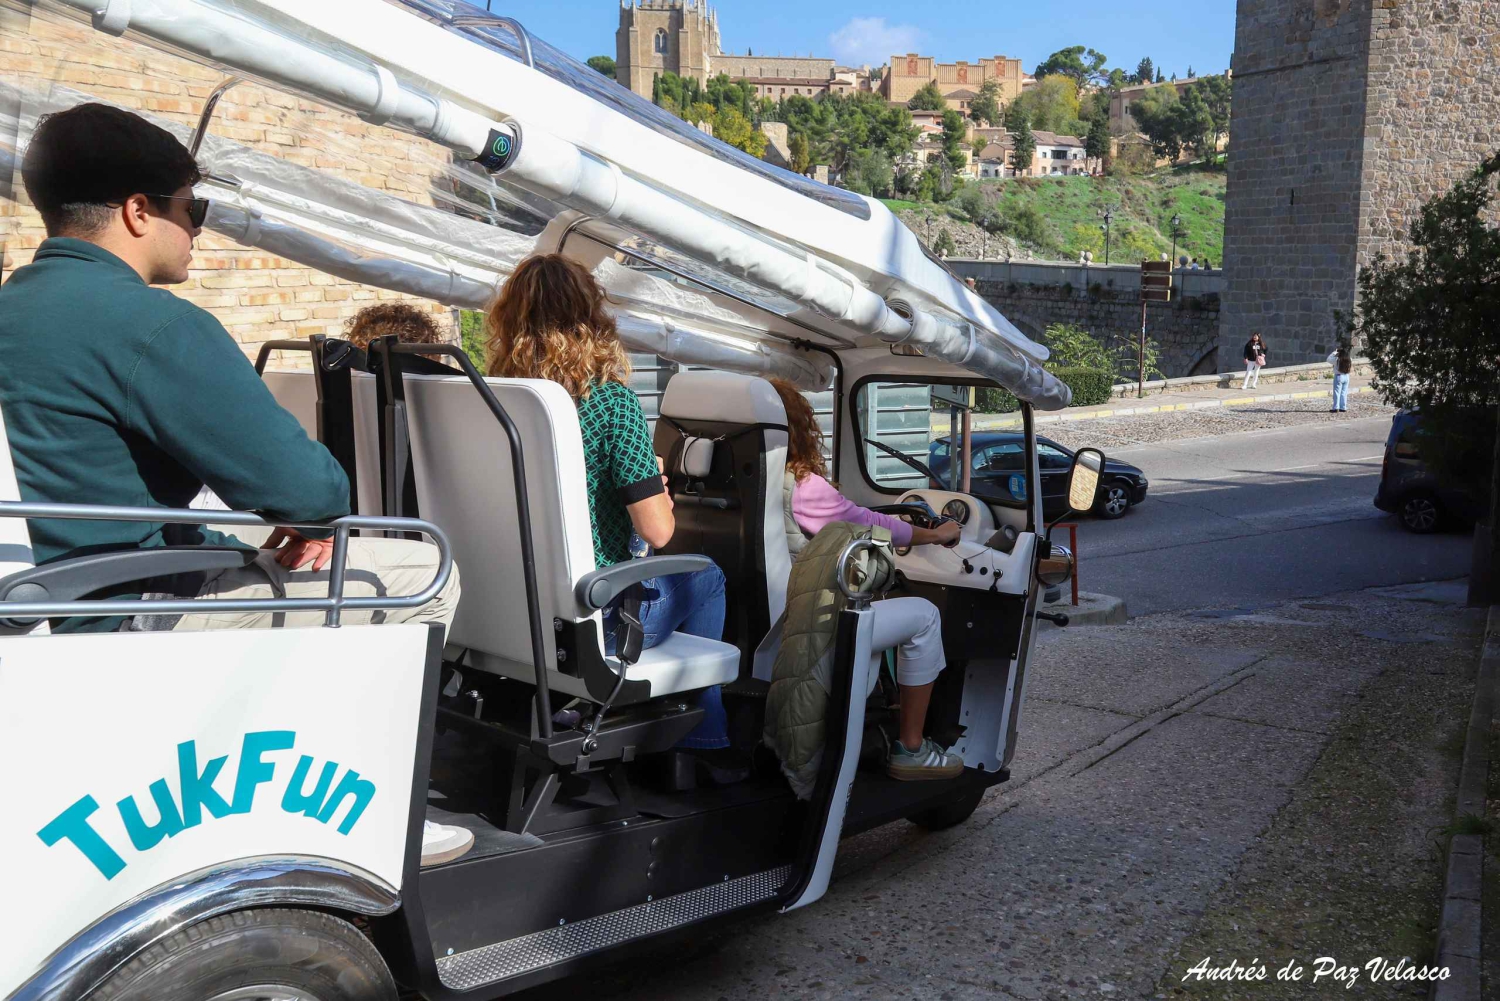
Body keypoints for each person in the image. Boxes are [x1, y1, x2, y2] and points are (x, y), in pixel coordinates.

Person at [1, 103, 468, 864]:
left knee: (268, 547)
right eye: (196, 209)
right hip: (125, 621)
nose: (199, 230)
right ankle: (381, 818)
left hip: (46, 607)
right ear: (138, 211)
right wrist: (309, 515)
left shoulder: (15, 309)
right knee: (422, 569)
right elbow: (313, 488)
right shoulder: (148, 324)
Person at [485, 254, 730, 750]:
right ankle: (703, 739)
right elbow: (658, 532)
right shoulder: (611, 403)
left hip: (510, 616)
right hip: (596, 624)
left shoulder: (492, 398)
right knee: (708, 575)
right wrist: (653, 489)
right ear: (591, 316)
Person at [768, 378, 966, 781]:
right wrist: (936, 534)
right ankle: (911, 747)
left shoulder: (751, 480)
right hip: (813, 626)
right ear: (799, 429)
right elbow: (872, 526)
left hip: (769, 624)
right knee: (925, 615)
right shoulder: (803, 488)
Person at [1327, 345, 1353, 412]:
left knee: (1337, 393)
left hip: (1339, 376)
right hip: (1347, 376)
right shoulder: (1349, 359)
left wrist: (1334, 352)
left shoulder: (1337, 360)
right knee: (1344, 393)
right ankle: (1343, 407)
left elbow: (1328, 359)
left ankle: (1336, 407)